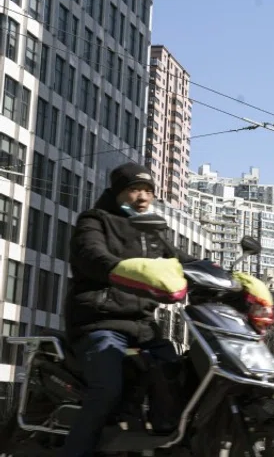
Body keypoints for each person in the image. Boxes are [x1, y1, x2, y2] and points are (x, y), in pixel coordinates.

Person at [59, 163, 197, 457]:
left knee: (181, 377)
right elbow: (90, 254)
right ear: (117, 192)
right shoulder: (95, 221)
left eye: (148, 191)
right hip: (100, 323)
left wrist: (227, 278)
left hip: (144, 329)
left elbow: (183, 261)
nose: (143, 197)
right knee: (107, 389)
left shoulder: (151, 232)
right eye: (135, 189)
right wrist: (117, 269)